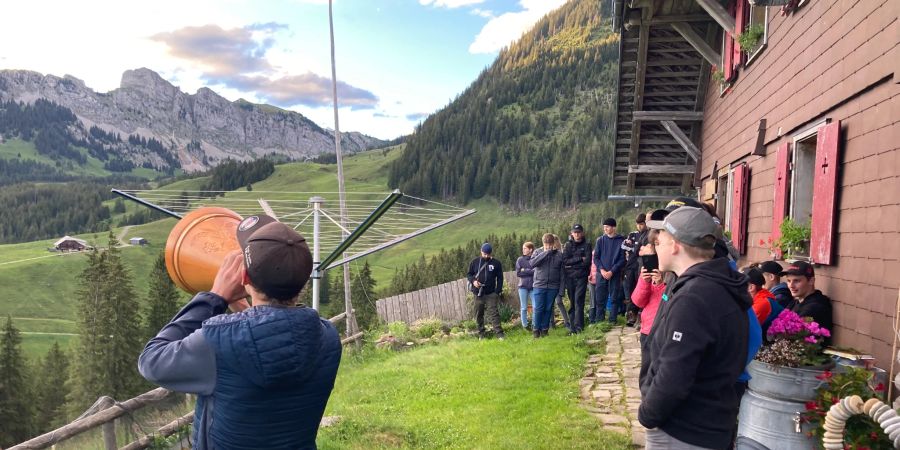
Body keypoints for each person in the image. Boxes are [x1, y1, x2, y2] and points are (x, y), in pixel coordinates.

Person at [138, 215, 342, 449]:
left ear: (244, 276)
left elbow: (151, 361)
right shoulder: (327, 337)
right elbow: (275, 338)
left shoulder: (219, 343)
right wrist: (246, 313)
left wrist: (214, 297)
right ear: (304, 280)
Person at [638, 207, 751, 450]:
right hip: (710, 423)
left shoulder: (694, 298)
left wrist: (648, 414)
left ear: (675, 245)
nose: (655, 246)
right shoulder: (718, 285)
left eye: (660, 241)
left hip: (684, 430)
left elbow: (675, 372)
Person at [780, 261, 833, 345]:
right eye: (789, 281)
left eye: (796, 281)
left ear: (811, 281)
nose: (791, 285)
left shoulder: (815, 306)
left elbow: (788, 333)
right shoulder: (797, 301)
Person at [467, 243, 505, 340]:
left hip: (491, 293)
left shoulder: (496, 263)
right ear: (481, 252)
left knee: (494, 313)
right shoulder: (474, 262)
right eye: (484, 254)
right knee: (479, 313)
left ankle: (499, 334)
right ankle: (481, 334)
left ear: (491, 253)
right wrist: (474, 281)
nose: (486, 256)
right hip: (478, 293)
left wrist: (497, 291)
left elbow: (500, 278)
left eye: (488, 254)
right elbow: (469, 274)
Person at [531, 233, 565, 338]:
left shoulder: (559, 255)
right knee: (539, 308)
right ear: (543, 244)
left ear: (553, 243)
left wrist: (561, 290)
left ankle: (545, 330)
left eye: (550, 245)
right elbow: (532, 263)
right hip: (539, 285)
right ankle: (536, 331)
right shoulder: (537, 252)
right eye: (546, 245)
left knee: (548, 308)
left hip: (553, 286)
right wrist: (545, 253)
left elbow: (562, 274)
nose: (548, 247)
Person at [592, 218, 625, 324]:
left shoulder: (621, 240)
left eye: (607, 227)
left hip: (614, 274)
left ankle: (612, 320)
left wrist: (612, 271)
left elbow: (622, 259)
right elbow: (596, 257)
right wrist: (601, 270)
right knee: (600, 298)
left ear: (613, 227)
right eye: (604, 227)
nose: (605, 229)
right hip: (601, 273)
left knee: (615, 297)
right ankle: (599, 321)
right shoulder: (600, 240)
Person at [562, 224, 591, 333]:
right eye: (575, 232)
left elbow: (587, 261)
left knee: (579, 301)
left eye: (579, 232)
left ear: (582, 233)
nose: (577, 234)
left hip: (581, 277)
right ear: (572, 233)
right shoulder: (568, 245)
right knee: (572, 302)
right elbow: (565, 261)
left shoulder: (587, 245)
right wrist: (579, 259)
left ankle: (579, 327)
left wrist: (573, 262)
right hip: (570, 277)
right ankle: (572, 328)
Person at [622, 214, 648, 327]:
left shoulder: (648, 234)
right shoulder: (633, 234)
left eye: (641, 224)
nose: (639, 226)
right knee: (630, 290)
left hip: (641, 266)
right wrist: (635, 248)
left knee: (641, 289)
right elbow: (624, 245)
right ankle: (631, 314)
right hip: (630, 266)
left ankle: (640, 315)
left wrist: (636, 248)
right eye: (638, 224)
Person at [743, 267, 784, 336]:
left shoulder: (762, 302)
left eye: (740, 283)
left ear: (751, 287)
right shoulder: (760, 297)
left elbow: (744, 329)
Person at [515, 242, 535, 330]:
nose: (523, 250)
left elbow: (536, 272)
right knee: (524, 307)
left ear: (530, 249)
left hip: (533, 287)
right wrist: (530, 270)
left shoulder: (535, 259)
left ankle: (534, 324)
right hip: (522, 287)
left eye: (525, 248)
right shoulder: (520, 260)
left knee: (536, 306)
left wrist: (525, 270)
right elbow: (518, 273)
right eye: (523, 248)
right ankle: (525, 325)